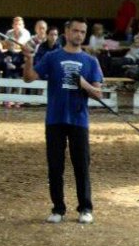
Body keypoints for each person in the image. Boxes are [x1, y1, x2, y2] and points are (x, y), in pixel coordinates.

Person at [22, 17, 103, 224]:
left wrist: (83, 83)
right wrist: (29, 58)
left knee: (81, 165)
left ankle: (85, 207)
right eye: (75, 31)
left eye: (82, 32)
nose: (79, 35)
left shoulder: (91, 61)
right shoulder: (52, 57)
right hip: (55, 119)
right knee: (55, 166)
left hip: (79, 120)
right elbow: (29, 77)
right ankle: (58, 208)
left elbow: (98, 94)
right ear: (66, 33)